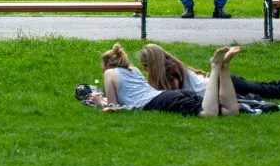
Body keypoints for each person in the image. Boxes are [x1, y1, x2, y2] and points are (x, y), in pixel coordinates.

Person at [86, 43, 243, 117]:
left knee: (209, 114)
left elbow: (114, 107)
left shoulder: (109, 73)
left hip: (159, 101)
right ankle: (224, 68)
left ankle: (216, 67)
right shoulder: (133, 70)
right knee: (230, 111)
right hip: (167, 96)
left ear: (106, 65)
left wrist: (100, 102)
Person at [137, 44, 280, 100]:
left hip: (221, 87)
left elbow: (172, 95)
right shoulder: (174, 63)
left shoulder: (170, 72)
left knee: (272, 91)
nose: (145, 70)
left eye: (145, 66)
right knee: (270, 86)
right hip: (221, 82)